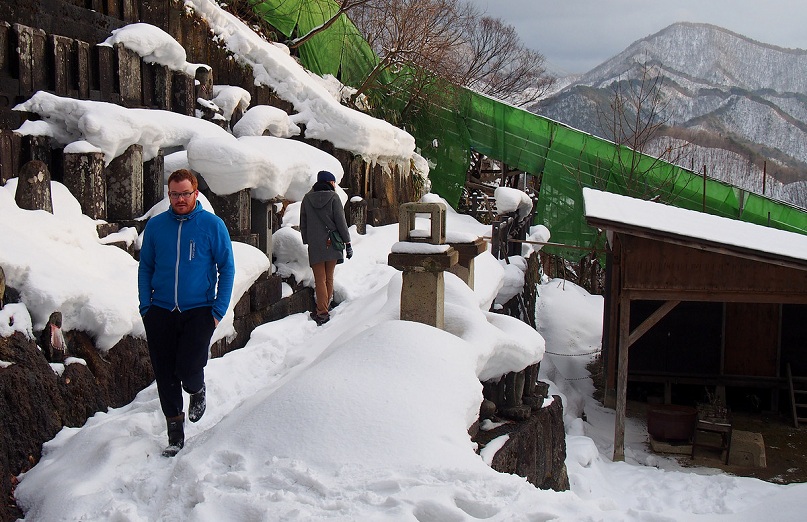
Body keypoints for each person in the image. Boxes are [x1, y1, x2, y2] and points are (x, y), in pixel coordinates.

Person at [138, 169, 235, 457]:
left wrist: (217, 310)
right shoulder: (156, 227)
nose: (180, 199)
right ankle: (174, 432)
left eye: (185, 193)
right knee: (165, 372)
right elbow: (146, 267)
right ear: (169, 195)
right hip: (161, 310)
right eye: (174, 194)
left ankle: (197, 388)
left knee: (189, 366)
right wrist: (146, 306)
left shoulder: (212, 225)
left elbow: (226, 268)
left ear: (195, 193)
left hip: (199, 311)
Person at [300, 170, 352, 326]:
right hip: (332, 243)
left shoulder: (307, 198)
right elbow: (341, 222)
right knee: (329, 278)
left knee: (319, 279)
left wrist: (308, 240)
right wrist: (347, 243)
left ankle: (322, 311)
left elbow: (304, 222)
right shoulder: (334, 198)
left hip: (316, 245)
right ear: (330, 182)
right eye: (333, 182)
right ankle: (324, 310)